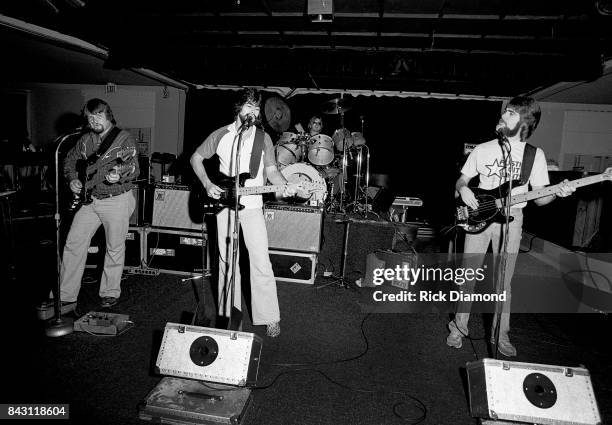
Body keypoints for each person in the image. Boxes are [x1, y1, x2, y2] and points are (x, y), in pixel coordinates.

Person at [447, 96, 575, 357]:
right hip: (479, 217)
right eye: (506, 112)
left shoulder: (534, 156)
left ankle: (501, 335)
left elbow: (540, 198)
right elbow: (462, 180)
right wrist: (464, 190)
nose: (504, 116)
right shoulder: (482, 149)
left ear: (525, 122)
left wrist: (557, 192)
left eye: (512, 114)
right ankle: (458, 328)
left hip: (512, 219)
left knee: (503, 283)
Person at [190, 88, 296, 338]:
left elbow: (271, 172)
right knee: (227, 264)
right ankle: (230, 314)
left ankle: (270, 317)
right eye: (250, 107)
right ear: (239, 108)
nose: (255, 112)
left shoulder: (264, 138)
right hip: (225, 207)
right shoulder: (222, 135)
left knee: (261, 261)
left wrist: (285, 184)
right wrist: (207, 184)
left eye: (257, 109)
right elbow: (196, 158)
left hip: (253, 207)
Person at [39, 98, 138, 310]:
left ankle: (110, 292)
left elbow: (132, 166)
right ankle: (65, 295)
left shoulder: (123, 138)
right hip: (90, 199)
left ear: (108, 115)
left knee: (114, 247)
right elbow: (70, 160)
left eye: (98, 116)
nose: (94, 120)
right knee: (73, 243)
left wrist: (118, 174)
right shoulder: (85, 139)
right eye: (90, 117)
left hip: (116, 199)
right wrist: (72, 178)